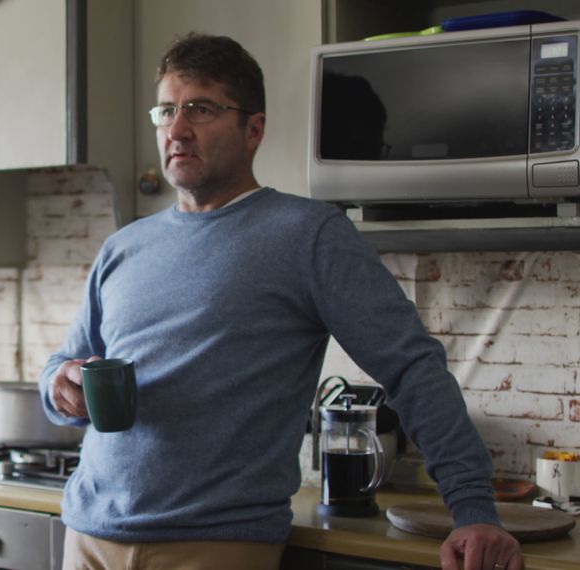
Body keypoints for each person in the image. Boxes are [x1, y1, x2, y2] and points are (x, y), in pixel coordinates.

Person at [38, 33, 523, 570]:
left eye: (200, 109)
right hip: (88, 536)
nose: (176, 129)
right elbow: (65, 364)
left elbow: (411, 368)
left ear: (254, 129)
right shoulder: (122, 247)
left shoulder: (308, 234)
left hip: (215, 544)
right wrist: (60, 385)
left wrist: (473, 508)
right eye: (167, 110)